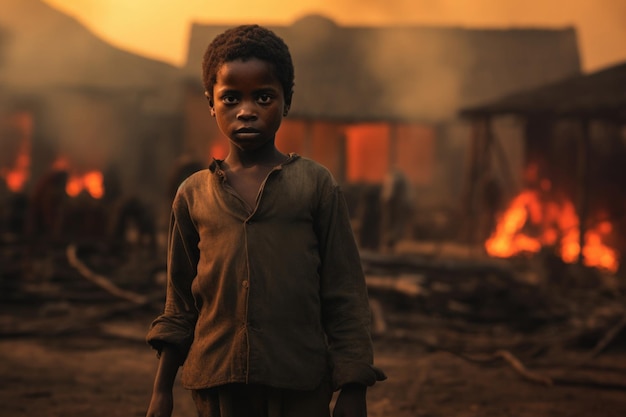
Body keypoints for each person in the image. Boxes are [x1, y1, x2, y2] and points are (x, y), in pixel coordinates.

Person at [145, 24, 386, 417]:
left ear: (286, 101)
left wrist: (354, 384)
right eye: (230, 98)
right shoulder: (193, 194)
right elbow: (180, 303)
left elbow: (345, 293)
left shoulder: (315, 184)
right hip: (217, 383)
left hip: (300, 382)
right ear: (211, 103)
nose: (246, 110)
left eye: (263, 97)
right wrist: (161, 391)